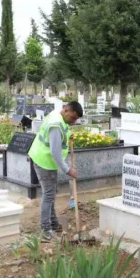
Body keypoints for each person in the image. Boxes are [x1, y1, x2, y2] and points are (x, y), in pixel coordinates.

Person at [28, 101, 83, 241]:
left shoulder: (57, 116)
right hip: (45, 161)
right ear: (66, 110)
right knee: (48, 195)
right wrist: (68, 170)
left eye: (76, 120)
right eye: (72, 118)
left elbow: (63, 129)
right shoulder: (55, 125)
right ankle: (46, 231)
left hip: (44, 159)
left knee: (51, 193)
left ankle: (53, 222)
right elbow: (55, 153)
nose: (73, 121)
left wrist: (69, 134)